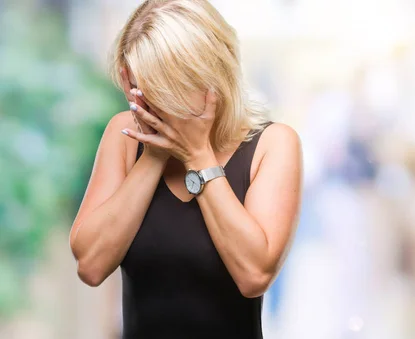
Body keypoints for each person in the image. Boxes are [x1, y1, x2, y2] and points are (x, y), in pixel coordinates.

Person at [68, 1, 303, 338]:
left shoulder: (273, 143)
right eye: (143, 88)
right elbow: (90, 266)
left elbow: (254, 276)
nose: (156, 104)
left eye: (167, 89)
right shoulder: (124, 134)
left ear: (211, 75)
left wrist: (198, 155)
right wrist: (152, 156)